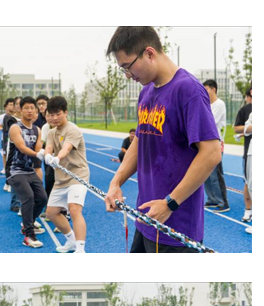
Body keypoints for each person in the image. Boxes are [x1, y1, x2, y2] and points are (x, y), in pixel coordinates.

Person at [103, 26, 221, 253]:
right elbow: (140, 140)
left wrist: (170, 203)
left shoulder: (189, 90)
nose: (128, 75)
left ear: (149, 53)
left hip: (174, 228)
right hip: (146, 217)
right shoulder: (146, 91)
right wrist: (116, 182)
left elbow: (212, 153)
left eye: (128, 67)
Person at [38, 96, 89, 253]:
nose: (54, 118)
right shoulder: (52, 132)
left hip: (77, 176)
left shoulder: (73, 130)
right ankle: (71, 241)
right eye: (51, 115)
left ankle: (80, 249)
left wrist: (57, 158)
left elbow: (66, 148)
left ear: (66, 113)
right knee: (51, 212)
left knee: (74, 209)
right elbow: (49, 146)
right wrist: (47, 155)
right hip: (61, 178)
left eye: (58, 114)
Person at [10, 96, 47, 248]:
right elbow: (22, 147)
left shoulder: (37, 130)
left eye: (32, 108)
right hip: (15, 170)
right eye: (26, 108)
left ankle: (27, 224)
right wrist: (38, 154)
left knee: (42, 198)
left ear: (36, 110)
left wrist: (45, 153)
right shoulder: (16, 127)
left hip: (29, 170)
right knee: (29, 197)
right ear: (20, 110)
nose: (30, 111)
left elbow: (38, 148)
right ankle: (29, 236)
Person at [202, 79, 229, 212]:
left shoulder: (219, 104)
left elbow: (209, 121)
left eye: (206, 89)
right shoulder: (206, 104)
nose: (205, 91)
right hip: (205, 144)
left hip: (216, 144)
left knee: (216, 175)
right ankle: (212, 199)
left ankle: (223, 202)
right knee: (206, 174)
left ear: (214, 89)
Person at [234, 86, 252, 222]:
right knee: (249, 182)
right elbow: (237, 128)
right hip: (250, 152)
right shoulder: (246, 110)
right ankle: (248, 210)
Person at [0, 98, 15, 175]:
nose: (12, 106)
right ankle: (5, 168)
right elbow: (1, 127)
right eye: (10, 105)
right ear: (6, 106)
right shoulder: (2, 117)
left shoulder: (16, 116)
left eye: (13, 105)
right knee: (5, 152)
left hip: (13, 138)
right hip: (5, 138)